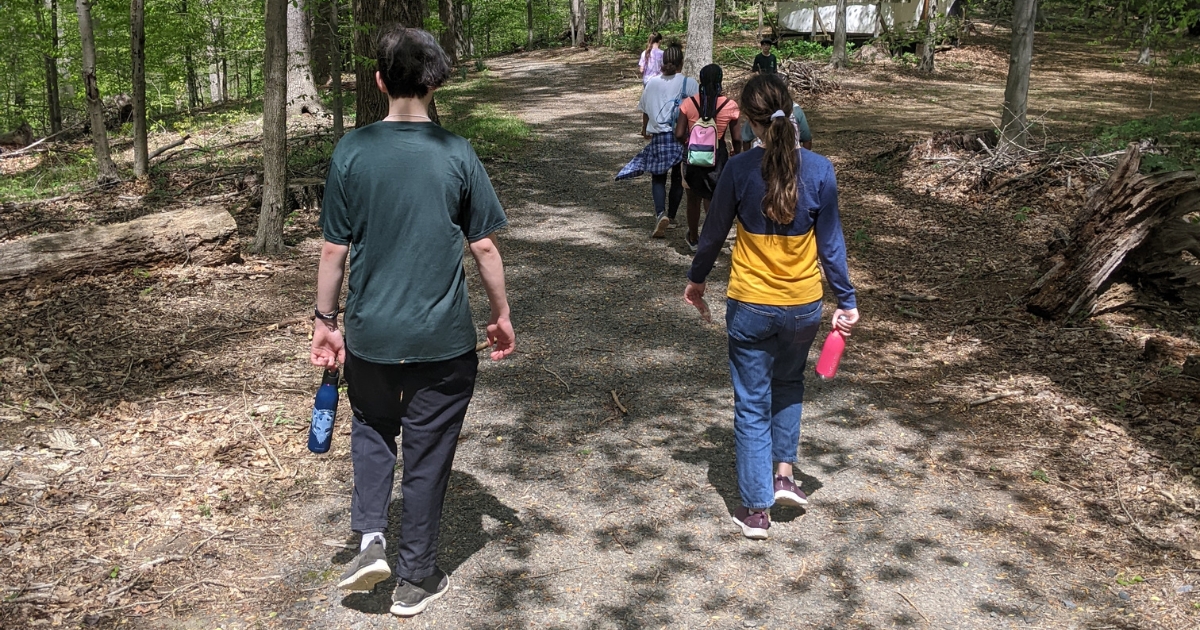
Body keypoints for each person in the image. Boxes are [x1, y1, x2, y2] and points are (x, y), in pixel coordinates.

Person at [310, 26, 515, 617]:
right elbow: (485, 250)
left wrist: (326, 321)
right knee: (427, 455)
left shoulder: (352, 151)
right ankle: (414, 579)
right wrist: (500, 315)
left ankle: (371, 536)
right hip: (443, 343)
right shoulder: (457, 154)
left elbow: (332, 251)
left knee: (373, 429)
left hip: (371, 338)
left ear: (379, 82)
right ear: (436, 83)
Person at [683, 74, 859, 541]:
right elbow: (832, 247)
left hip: (751, 307)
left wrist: (696, 283)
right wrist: (847, 300)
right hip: (803, 307)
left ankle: (756, 509)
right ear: (789, 110)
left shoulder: (740, 172)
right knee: (788, 383)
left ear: (749, 122)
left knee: (752, 402)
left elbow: (712, 235)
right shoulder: (820, 169)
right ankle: (784, 475)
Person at [616, 42, 698, 237]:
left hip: (659, 137)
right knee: (678, 179)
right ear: (681, 62)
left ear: (663, 62)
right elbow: (696, 111)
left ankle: (660, 213)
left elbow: (644, 110)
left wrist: (645, 129)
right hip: (681, 137)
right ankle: (672, 216)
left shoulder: (652, 82)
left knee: (658, 178)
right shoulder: (690, 83)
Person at [674, 64, 740, 252]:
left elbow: (679, 133)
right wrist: (737, 153)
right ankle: (711, 239)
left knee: (692, 197)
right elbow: (737, 138)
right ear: (720, 80)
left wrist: (689, 143)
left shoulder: (689, 103)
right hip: (717, 157)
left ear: (700, 80)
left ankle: (693, 238)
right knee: (712, 197)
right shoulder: (730, 105)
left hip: (692, 156)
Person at [736, 101, 812, 153]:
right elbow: (807, 139)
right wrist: (804, 160)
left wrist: (747, 160)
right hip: (793, 158)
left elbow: (745, 139)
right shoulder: (796, 110)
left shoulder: (758, 110)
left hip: (759, 160)